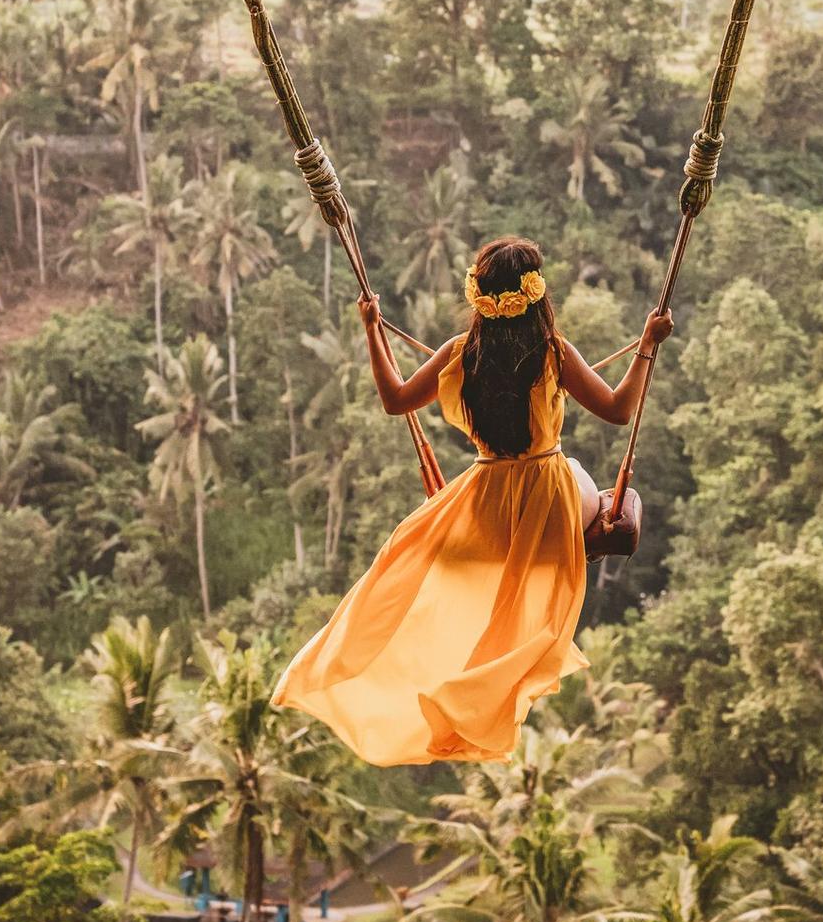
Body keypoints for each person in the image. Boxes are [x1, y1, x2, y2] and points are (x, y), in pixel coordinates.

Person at [272, 236, 674, 766]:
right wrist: (647, 342)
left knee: (407, 554)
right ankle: (575, 546)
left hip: (483, 505)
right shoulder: (553, 351)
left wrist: (373, 330)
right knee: (598, 492)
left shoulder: (461, 354)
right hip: (550, 498)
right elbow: (622, 410)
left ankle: (356, 668)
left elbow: (395, 399)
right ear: (537, 294)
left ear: (479, 294)